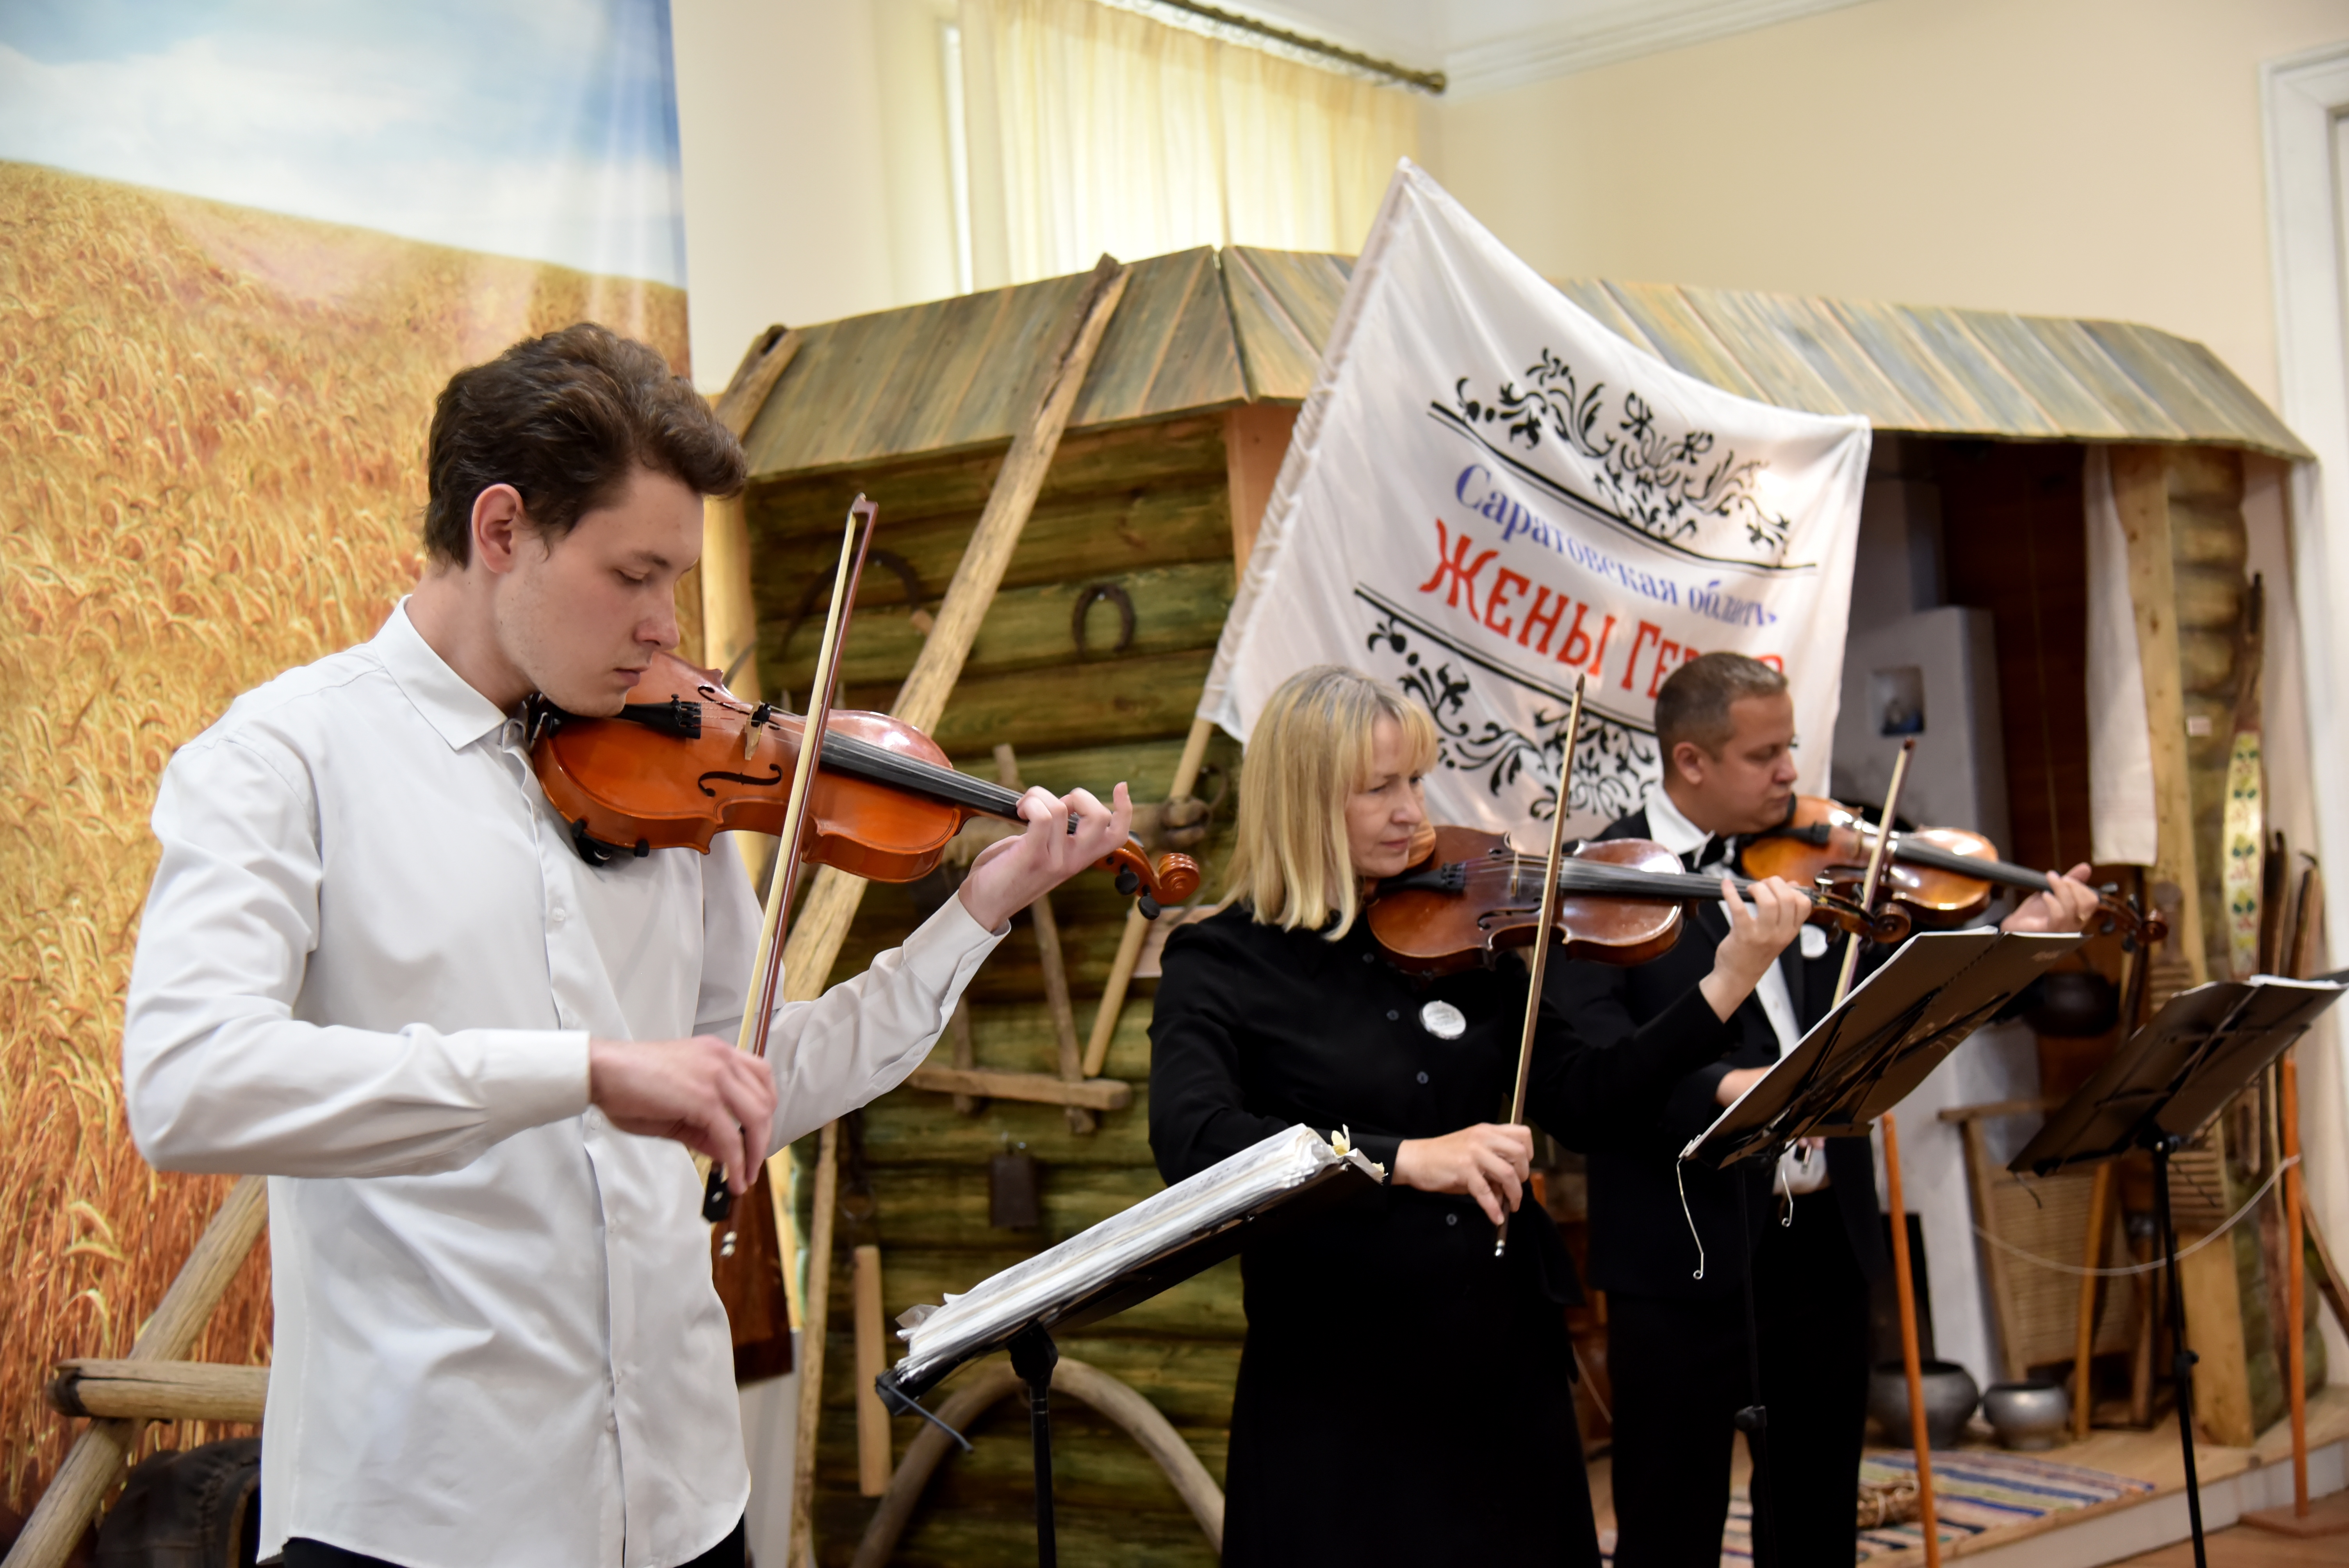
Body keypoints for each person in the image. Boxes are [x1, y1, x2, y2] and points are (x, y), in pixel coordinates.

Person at [119, 324, 1135, 1568]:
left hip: (684, 1504)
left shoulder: (671, 774)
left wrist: (977, 912)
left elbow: (751, 1079)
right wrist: (585, 1071)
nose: (667, 631)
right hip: (425, 1521)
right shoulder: (284, 760)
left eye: (679, 584)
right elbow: (189, 1087)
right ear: (503, 532)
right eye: (634, 574)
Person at [1146, 665, 1816, 1565]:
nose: (1411, 811)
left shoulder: (1467, 936)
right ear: (1302, 800)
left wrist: (1723, 983)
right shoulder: (1220, 961)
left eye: (1415, 780)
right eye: (1378, 787)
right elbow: (1194, 1142)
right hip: (1338, 1378)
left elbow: (1587, 1098)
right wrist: (1403, 1158)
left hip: (1502, 1358)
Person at [1550, 652, 2099, 1568]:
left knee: (1813, 1517)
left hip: (1817, 1240)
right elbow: (1594, 1080)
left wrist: (2014, 944)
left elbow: (1904, 1000)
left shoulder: (1816, 858)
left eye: (1790, 747)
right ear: (1689, 762)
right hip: (1683, 1252)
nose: (1789, 774)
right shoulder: (1605, 882)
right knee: (1670, 1520)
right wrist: (1725, 1091)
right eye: (1763, 754)